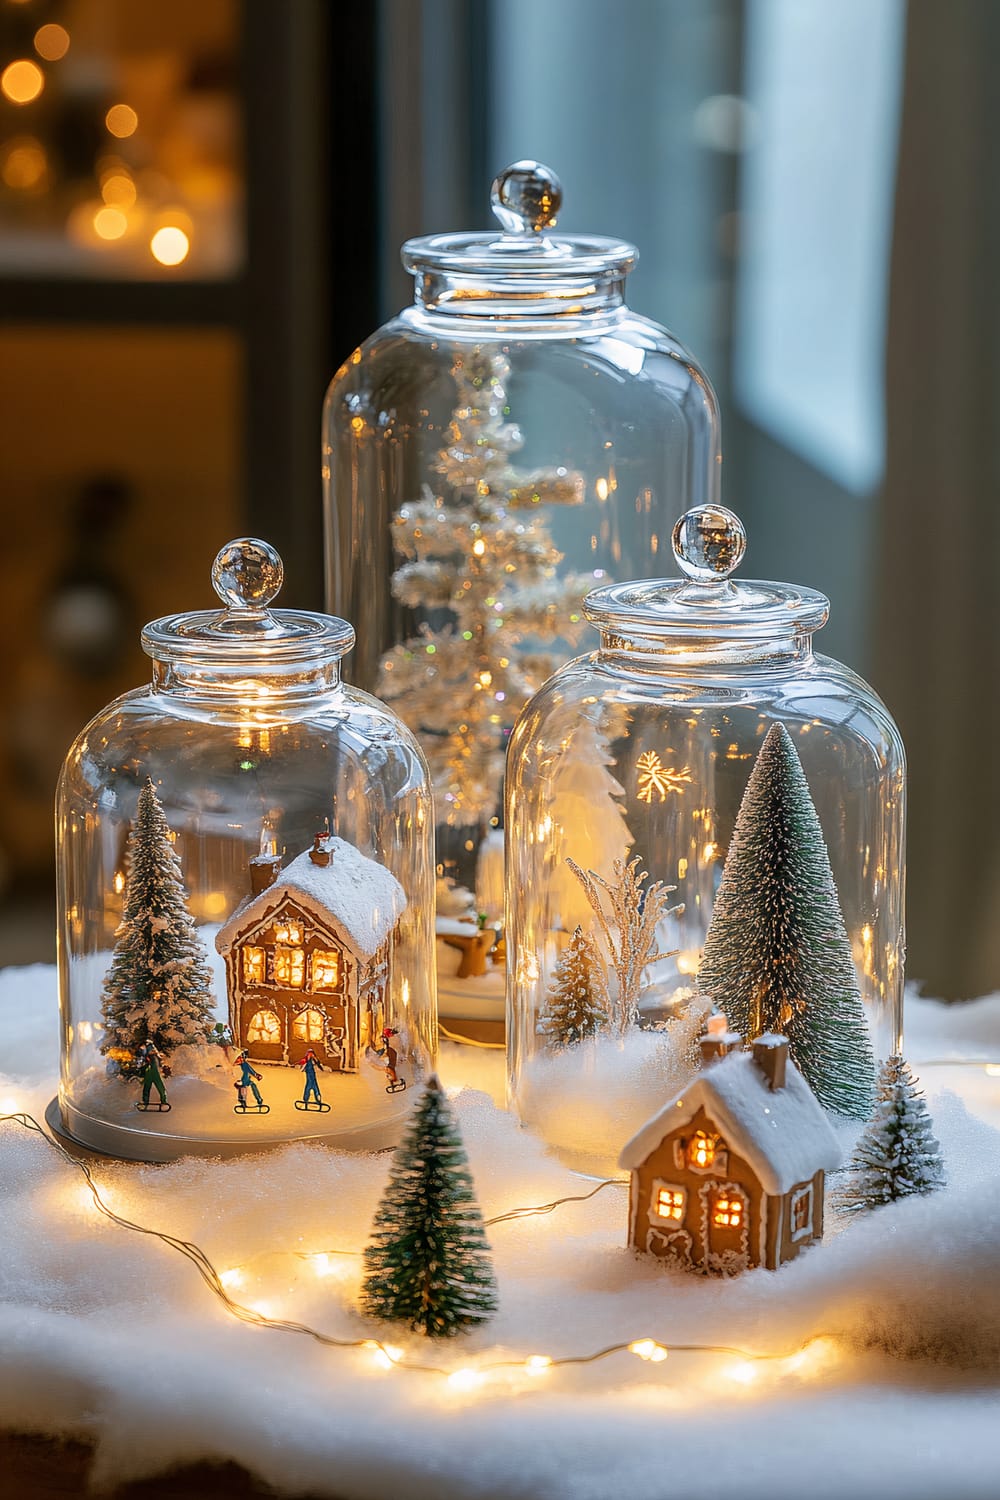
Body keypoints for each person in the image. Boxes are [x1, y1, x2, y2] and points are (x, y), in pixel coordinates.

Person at [137, 1041, 168, 1107]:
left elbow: (159, 1059)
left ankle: (163, 1101)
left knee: (159, 1087)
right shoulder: (146, 1056)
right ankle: (146, 1102)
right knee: (147, 1088)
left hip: (153, 1072)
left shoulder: (153, 1055)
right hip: (150, 1072)